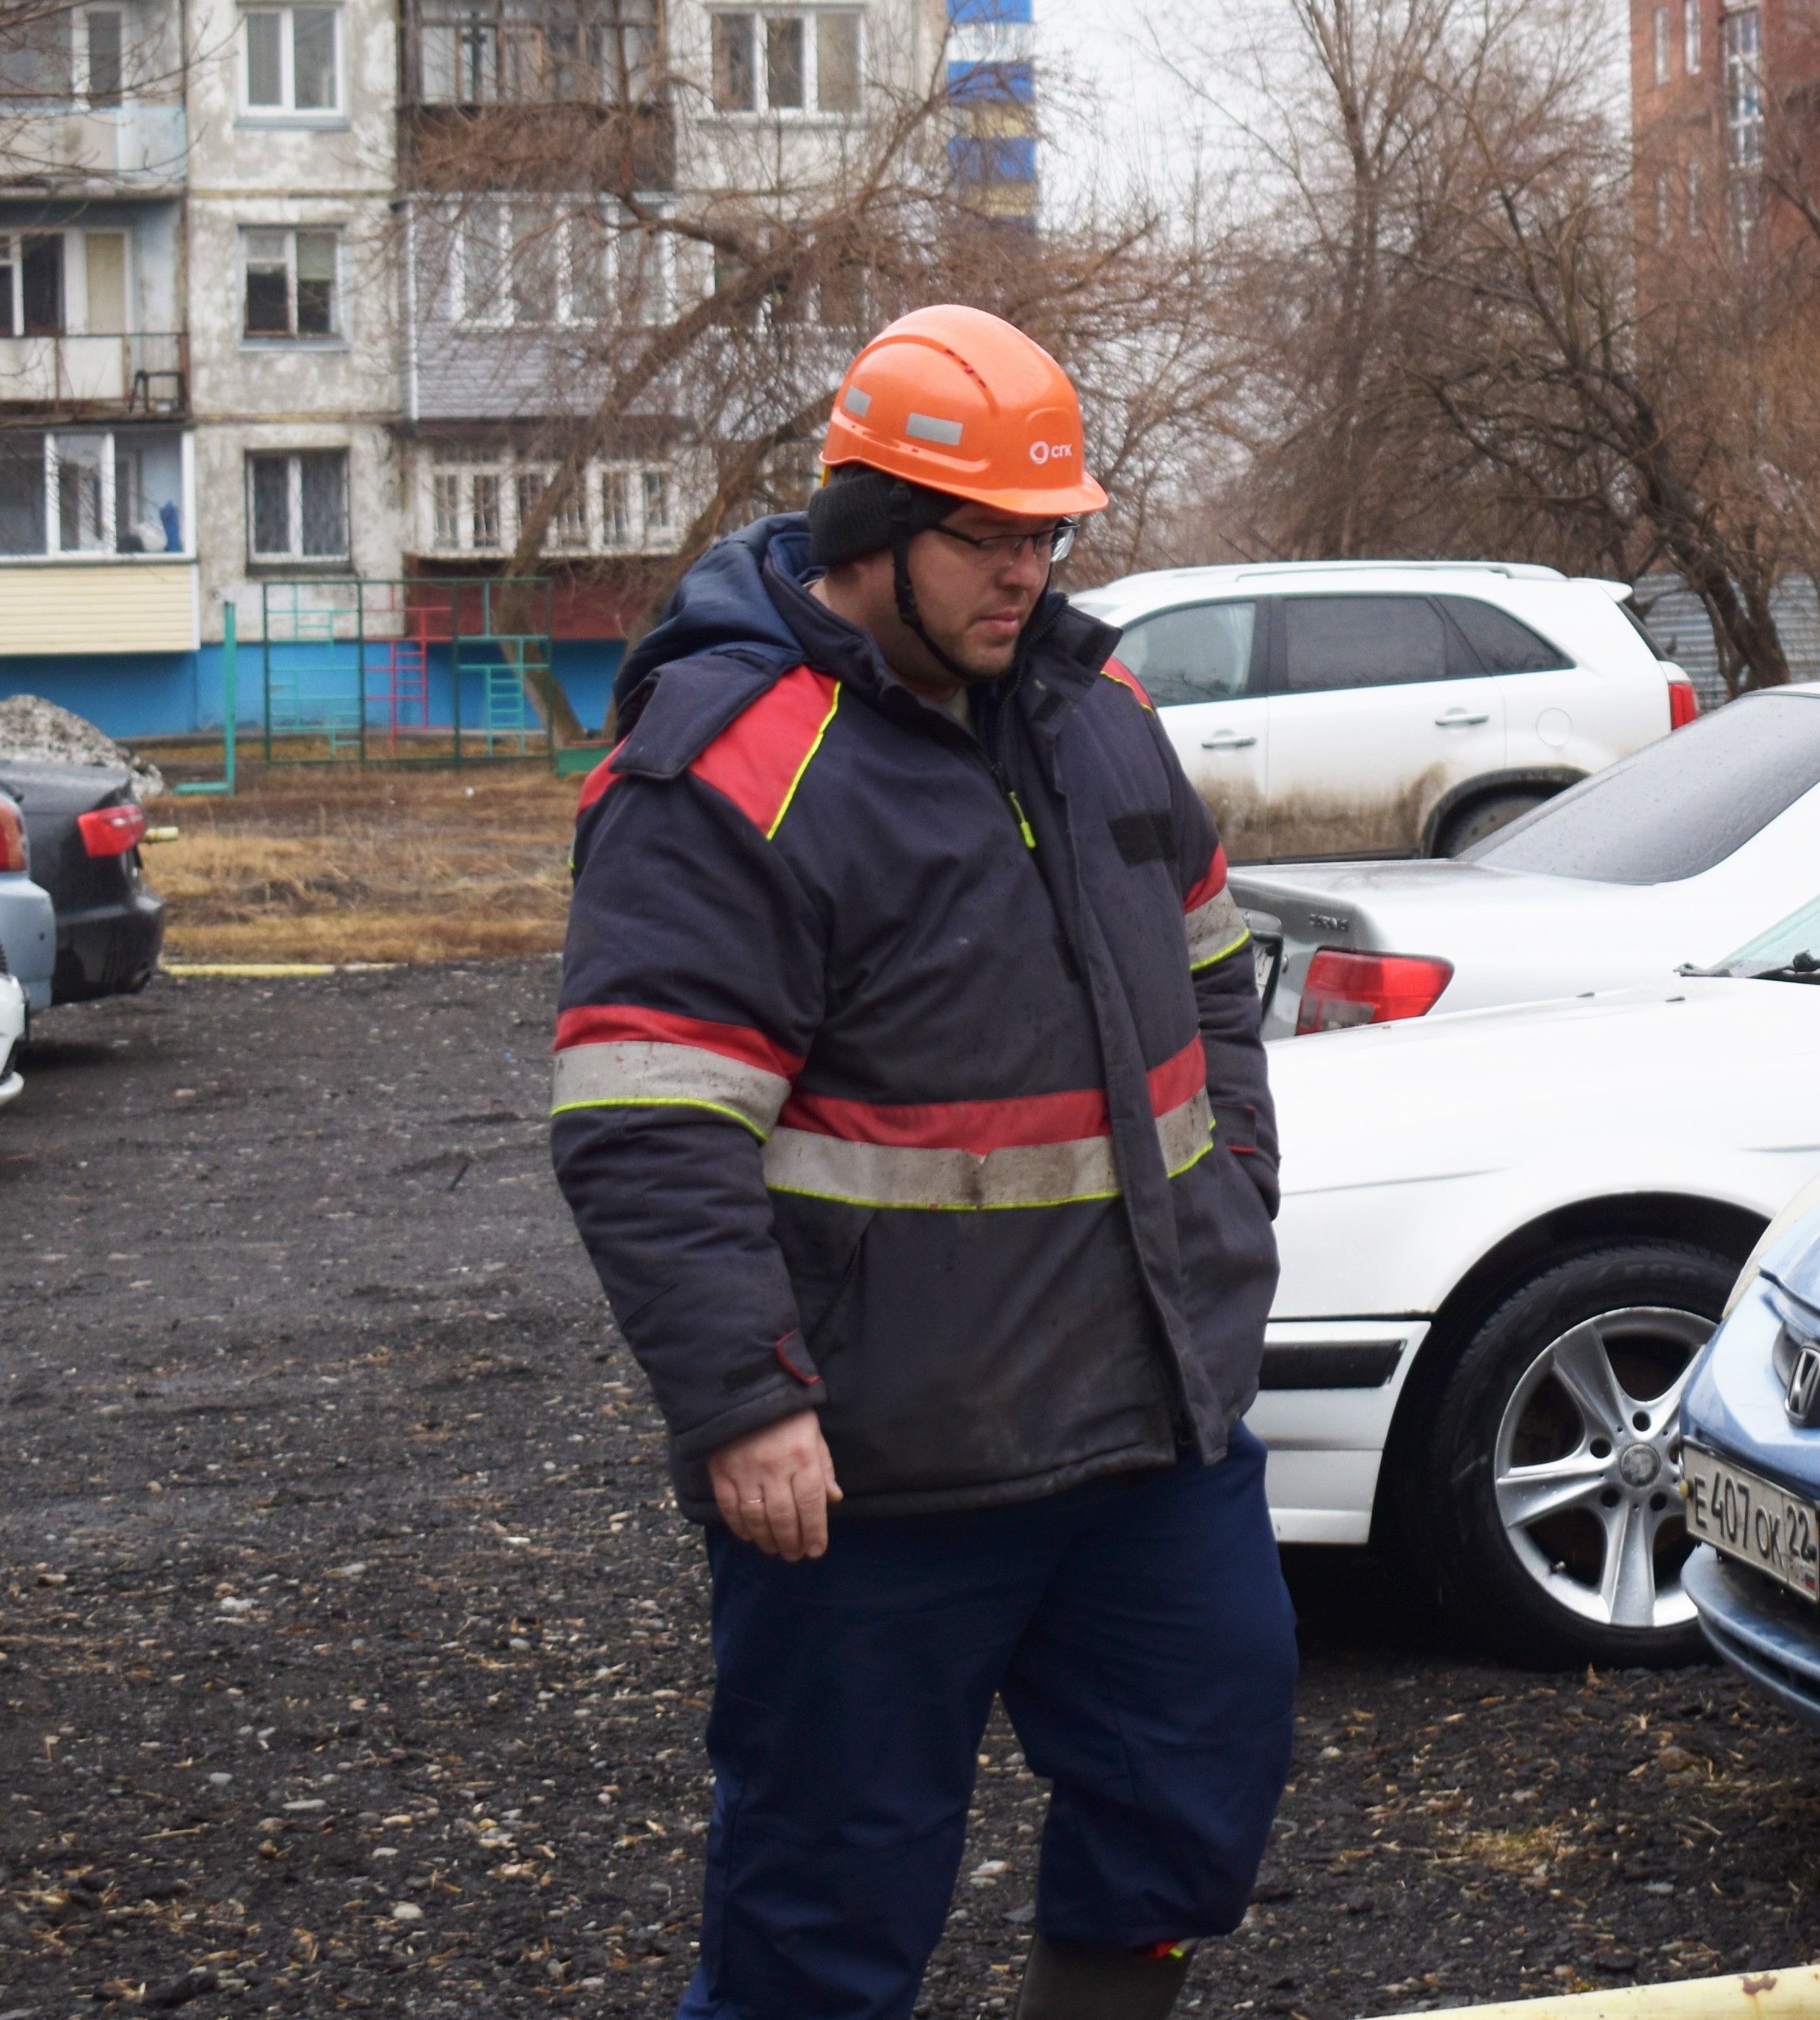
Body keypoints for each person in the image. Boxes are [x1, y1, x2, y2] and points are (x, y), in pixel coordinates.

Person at [547, 305, 1291, 2020]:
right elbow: (647, 1117)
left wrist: (1232, 1190)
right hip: (878, 1473)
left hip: (1147, 1423)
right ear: (867, 523)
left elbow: (1210, 971)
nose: (1025, 570)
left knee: (1196, 1781)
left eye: (1049, 533)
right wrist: (744, 1400)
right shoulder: (731, 763)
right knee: (826, 1904)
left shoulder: (1100, 708)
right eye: (982, 534)